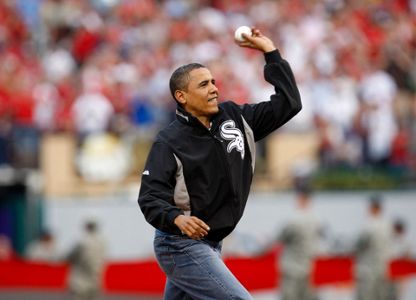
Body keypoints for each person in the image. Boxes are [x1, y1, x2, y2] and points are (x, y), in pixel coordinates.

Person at [138, 27, 302, 299]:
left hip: (211, 243)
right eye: (203, 84)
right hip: (179, 244)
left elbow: (289, 104)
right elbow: (149, 197)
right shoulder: (169, 142)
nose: (214, 89)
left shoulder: (236, 118)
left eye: (213, 82)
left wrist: (270, 53)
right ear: (182, 97)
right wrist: (176, 218)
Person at [277, 189, 320, 300]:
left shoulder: (293, 220)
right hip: (307, 268)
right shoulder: (316, 220)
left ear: (300, 199)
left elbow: (280, 238)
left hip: (291, 269)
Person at [354, 195, 392, 300]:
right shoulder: (387, 225)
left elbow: (358, 246)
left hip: (367, 273)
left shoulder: (368, 225)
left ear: (372, 208)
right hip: (383, 271)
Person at [66, 219, 106, 300]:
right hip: (95, 281)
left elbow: (70, 256)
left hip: (80, 281)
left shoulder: (81, 241)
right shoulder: (102, 242)